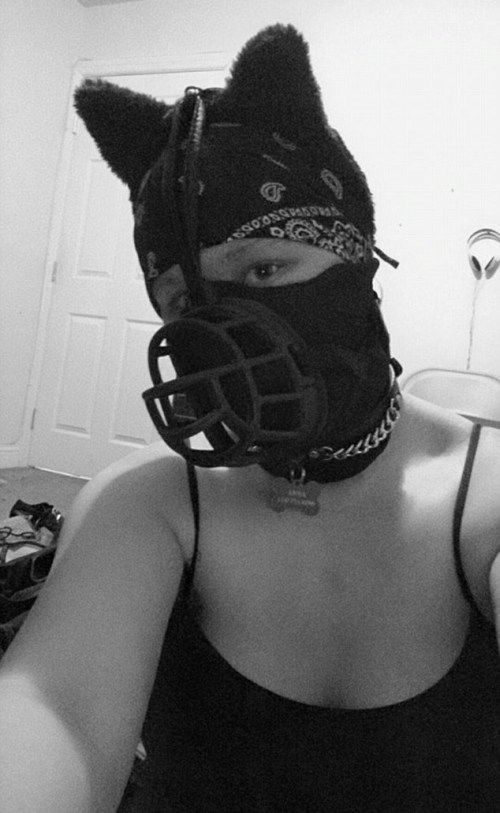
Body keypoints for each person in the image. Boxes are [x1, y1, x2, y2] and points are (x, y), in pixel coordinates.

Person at [1, 24, 500, 812]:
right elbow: (54, 709)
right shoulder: (147, 505)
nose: (224, 328)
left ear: (356, 253)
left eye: (265, 267)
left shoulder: (485, 495)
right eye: (183, 301)